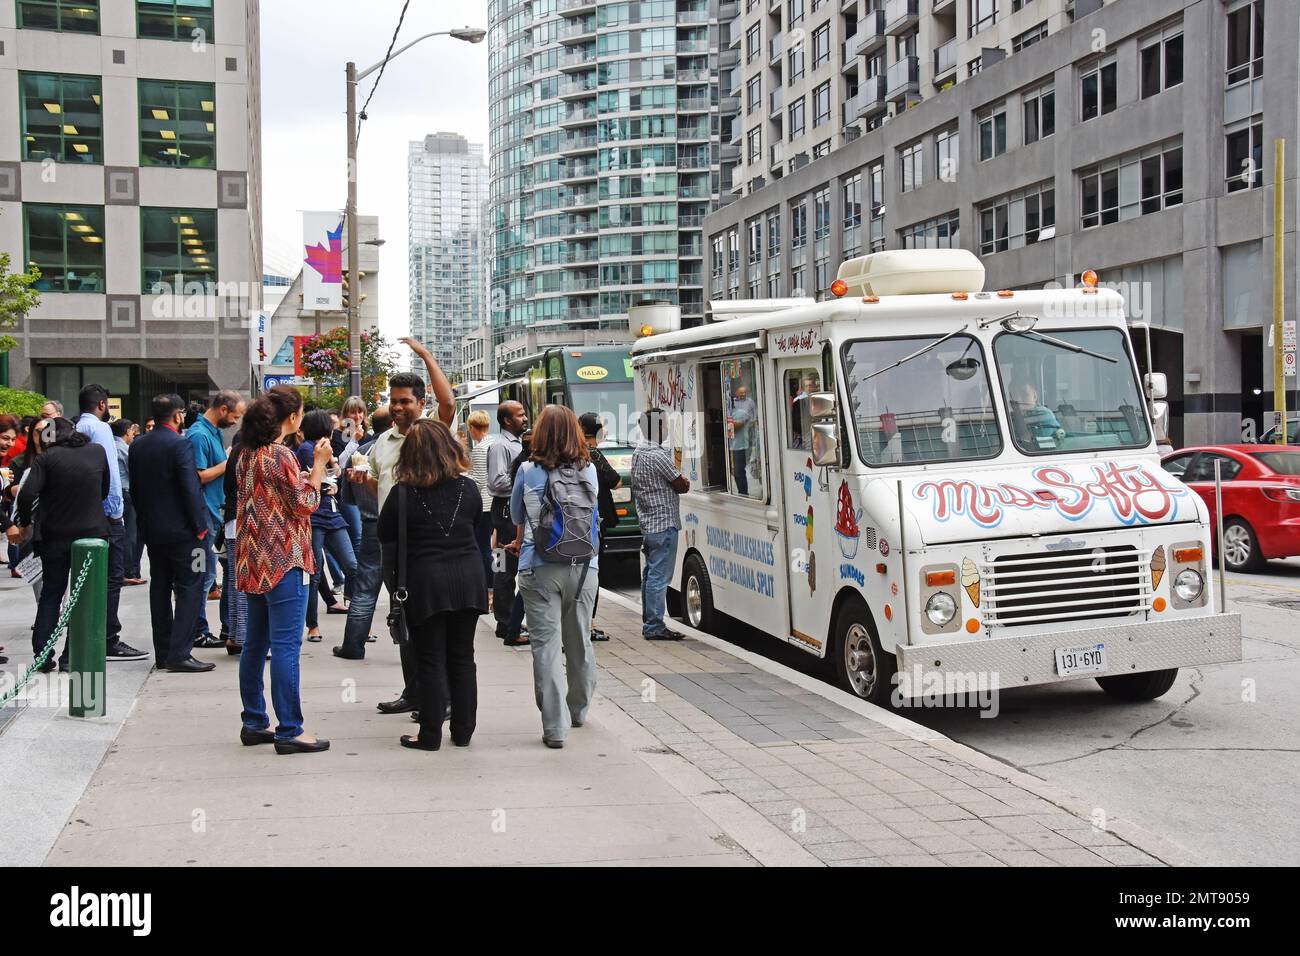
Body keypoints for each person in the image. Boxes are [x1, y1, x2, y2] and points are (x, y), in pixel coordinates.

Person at [348, 336, 455, 714]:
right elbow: (383, 488)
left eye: (405, 401)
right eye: (393, 401)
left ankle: (438, 698)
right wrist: (365, 483)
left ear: (420, 404)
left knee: (432, 619)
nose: (397, 407)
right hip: (393, 543)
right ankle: (414, 691)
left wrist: (426, 354)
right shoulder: (383, 443)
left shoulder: (434, 433)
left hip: (430, 543)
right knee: (402, 617)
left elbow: (449, 403)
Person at [234, 386, 331, 754]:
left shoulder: (246, 453)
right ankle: (290, 728)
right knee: (287, 646)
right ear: (291, 418)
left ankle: (254, 720)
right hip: (284, 559)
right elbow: (304, 504)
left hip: (252, 559)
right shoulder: (280, 455)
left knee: (256, 645)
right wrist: (319, 469)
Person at [378, 419, 485, 750]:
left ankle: (429, 734)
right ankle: (464, 729)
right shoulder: (468, 489)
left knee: (430, 659)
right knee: (463, 657)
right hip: (468, 579)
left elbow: (386, 539)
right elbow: (478, 528)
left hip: (425, 584)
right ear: (449, 450)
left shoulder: (402, 495)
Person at [507, 406, 601, 749]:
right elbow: (596, 519)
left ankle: (555, 727)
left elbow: (517, 514)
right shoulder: (588, 469)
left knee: (545, 647)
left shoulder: (528, 470)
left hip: (538, 565)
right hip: (583, 566)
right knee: (579, 640)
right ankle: (578, 710)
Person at [14, 417, 117, 671]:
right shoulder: (97, 451)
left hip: (55, 536)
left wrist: (26, 520)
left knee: (52, 595)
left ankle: (42, 654)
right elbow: (105, 489)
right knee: (82, 596)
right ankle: (71, 657)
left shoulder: (46, 458)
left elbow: (27, 493)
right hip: (93, 534)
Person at [129, 395, 214, 673]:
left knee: (160, 588)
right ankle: (180, 652)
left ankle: (164, 652)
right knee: (191, 587)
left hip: (154, 531)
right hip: (186, 533)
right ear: (177, 416)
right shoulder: (180, 444)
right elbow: (190, 489)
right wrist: (201, 527)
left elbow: (137, 491)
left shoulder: (138, 445)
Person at [75, 384, 146, 662]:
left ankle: (93, 635)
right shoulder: (101, 429)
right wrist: (115, 512)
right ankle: (108, 637)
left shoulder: (77, 427)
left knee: (90, 578)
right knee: (112, 578)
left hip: (85, 513)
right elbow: (110, 474)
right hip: (106, 515)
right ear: (102, 405)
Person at [333, 407, 391, 660]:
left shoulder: (360, 452)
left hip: (370, 524)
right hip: (398, 526)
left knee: (365, 588)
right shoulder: (398, 450)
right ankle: (412, 645)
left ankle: (353, 645)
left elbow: (347, 496)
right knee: (406, 586)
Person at [188, 391, 245, 647]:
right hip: (204, 515)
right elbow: (198, 475)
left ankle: (227, 627)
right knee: (204, 576)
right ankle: (199, 630)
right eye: (235, 416)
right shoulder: (199, 434)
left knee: (224, 574)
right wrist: (230, 461)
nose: (236, 421)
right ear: (222, 409)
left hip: (217, 513)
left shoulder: (213, 432)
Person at [298, 409, 357, 642]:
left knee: (352, 565)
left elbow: (335, 473)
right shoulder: (305, 448)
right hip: (314, 515)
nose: (335, 428)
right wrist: (327, 480)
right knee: (314, 571)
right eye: (331, 425)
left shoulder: (325, 447)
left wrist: (331, 463)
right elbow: (312, 479)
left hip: (331, 513)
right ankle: (312, 625)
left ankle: (356, 615)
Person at [631, 408, 689, 641]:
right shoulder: (657, 455)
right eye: (665, 424)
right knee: (659, 576)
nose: (667, 428)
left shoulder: (638, 452)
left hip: (648, 522)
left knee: (650, 574)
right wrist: (683, 480)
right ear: (658, 427)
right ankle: (654, 625)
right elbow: (681, 484)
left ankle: (650, 621)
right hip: (664, 523)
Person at [488, 400, 529, 644]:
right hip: (505, 512)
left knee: (508, 566)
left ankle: (508, 620)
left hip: (512, 510)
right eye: (520, 415)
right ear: (507, 420)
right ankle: (504, 622)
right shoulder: (500, 446)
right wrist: (524, 482)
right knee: (504, 567)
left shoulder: (515, 444)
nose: (525, 418)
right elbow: (496, 483)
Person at [579, 411, 620, 642]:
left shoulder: (574, 452)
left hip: (578, 519)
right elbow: (617, 481)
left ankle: (585, 620)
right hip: (596, 519)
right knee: (593, 570)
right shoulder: (593, 454)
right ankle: (589, 621)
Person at [466, 410, 495, 605]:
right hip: (497, 502)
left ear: (472, 428)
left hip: (484, 504)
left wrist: (462, 476)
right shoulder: (494, 443)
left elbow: (478, 480)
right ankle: (494, 588)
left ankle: (488, 589)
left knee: (482, 547)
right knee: (493, 548)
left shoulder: (479, 449)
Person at [110, 419, 145, 586]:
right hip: (127, 493)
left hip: (115, 494)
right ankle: (129, 571)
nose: (133, 434)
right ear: (127, 431)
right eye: (132, 431)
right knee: (131, 534)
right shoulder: (125, 449)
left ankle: (122, 570)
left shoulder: (110, 447)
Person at [1010, 381, 1066, 446]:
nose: (1018, 399)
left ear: (1035, 396)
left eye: (1024, 394)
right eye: (1014, 395)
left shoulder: (1043, 413)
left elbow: (1043, 446)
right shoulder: (1009, 416)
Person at [728, 383, 758, 496]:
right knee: (734, 472)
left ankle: (743, 493)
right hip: (730, 446)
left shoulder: (741, 413)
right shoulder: (728, 414)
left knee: (739, 471)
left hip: (739, 446)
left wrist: (728, 423)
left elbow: (732, 429)